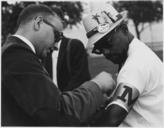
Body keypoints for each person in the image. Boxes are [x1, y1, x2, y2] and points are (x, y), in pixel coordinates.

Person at [1, 4, 116, 126]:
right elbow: (57, 111)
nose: (56, 45)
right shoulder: (17, 55)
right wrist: (98, 85)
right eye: (57, 36)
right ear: (38, 23)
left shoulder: (12, 52)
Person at [82, 4, 163, 127]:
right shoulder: (138, 52)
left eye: (108, 43)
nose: (106, 52)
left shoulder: (135, 63)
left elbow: (112, 118)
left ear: (124, 29)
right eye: (99, 48)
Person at [43, 7, 91, 91]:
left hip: (70, 100)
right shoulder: (42, 51)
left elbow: (81, 78)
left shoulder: (74, 46)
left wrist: (63, 99)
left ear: (63, 24)